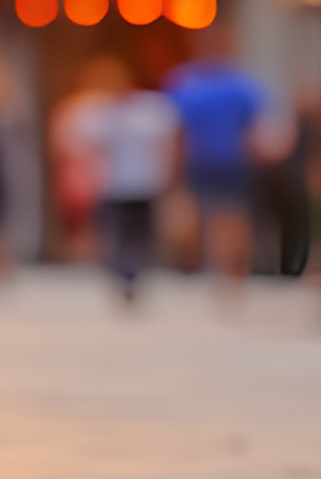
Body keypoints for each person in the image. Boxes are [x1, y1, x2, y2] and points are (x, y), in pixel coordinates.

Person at [163, 34, 272, 298]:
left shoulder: (186, 84)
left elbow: (177, 133)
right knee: (233, 217)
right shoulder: (239, 85)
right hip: (231, 161)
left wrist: (173, 169)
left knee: (212, 218)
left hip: (206, 161)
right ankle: (232, 269)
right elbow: (255, 130)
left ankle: (222, 268)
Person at [89, 63, 180, 303]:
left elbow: (167, 143)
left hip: (143, 185)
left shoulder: (148, 109)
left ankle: (136, 274)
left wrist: (167, 174)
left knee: (141, 235)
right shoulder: (100, 113)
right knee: (117, 235)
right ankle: (121, 275)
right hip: (113, 186)